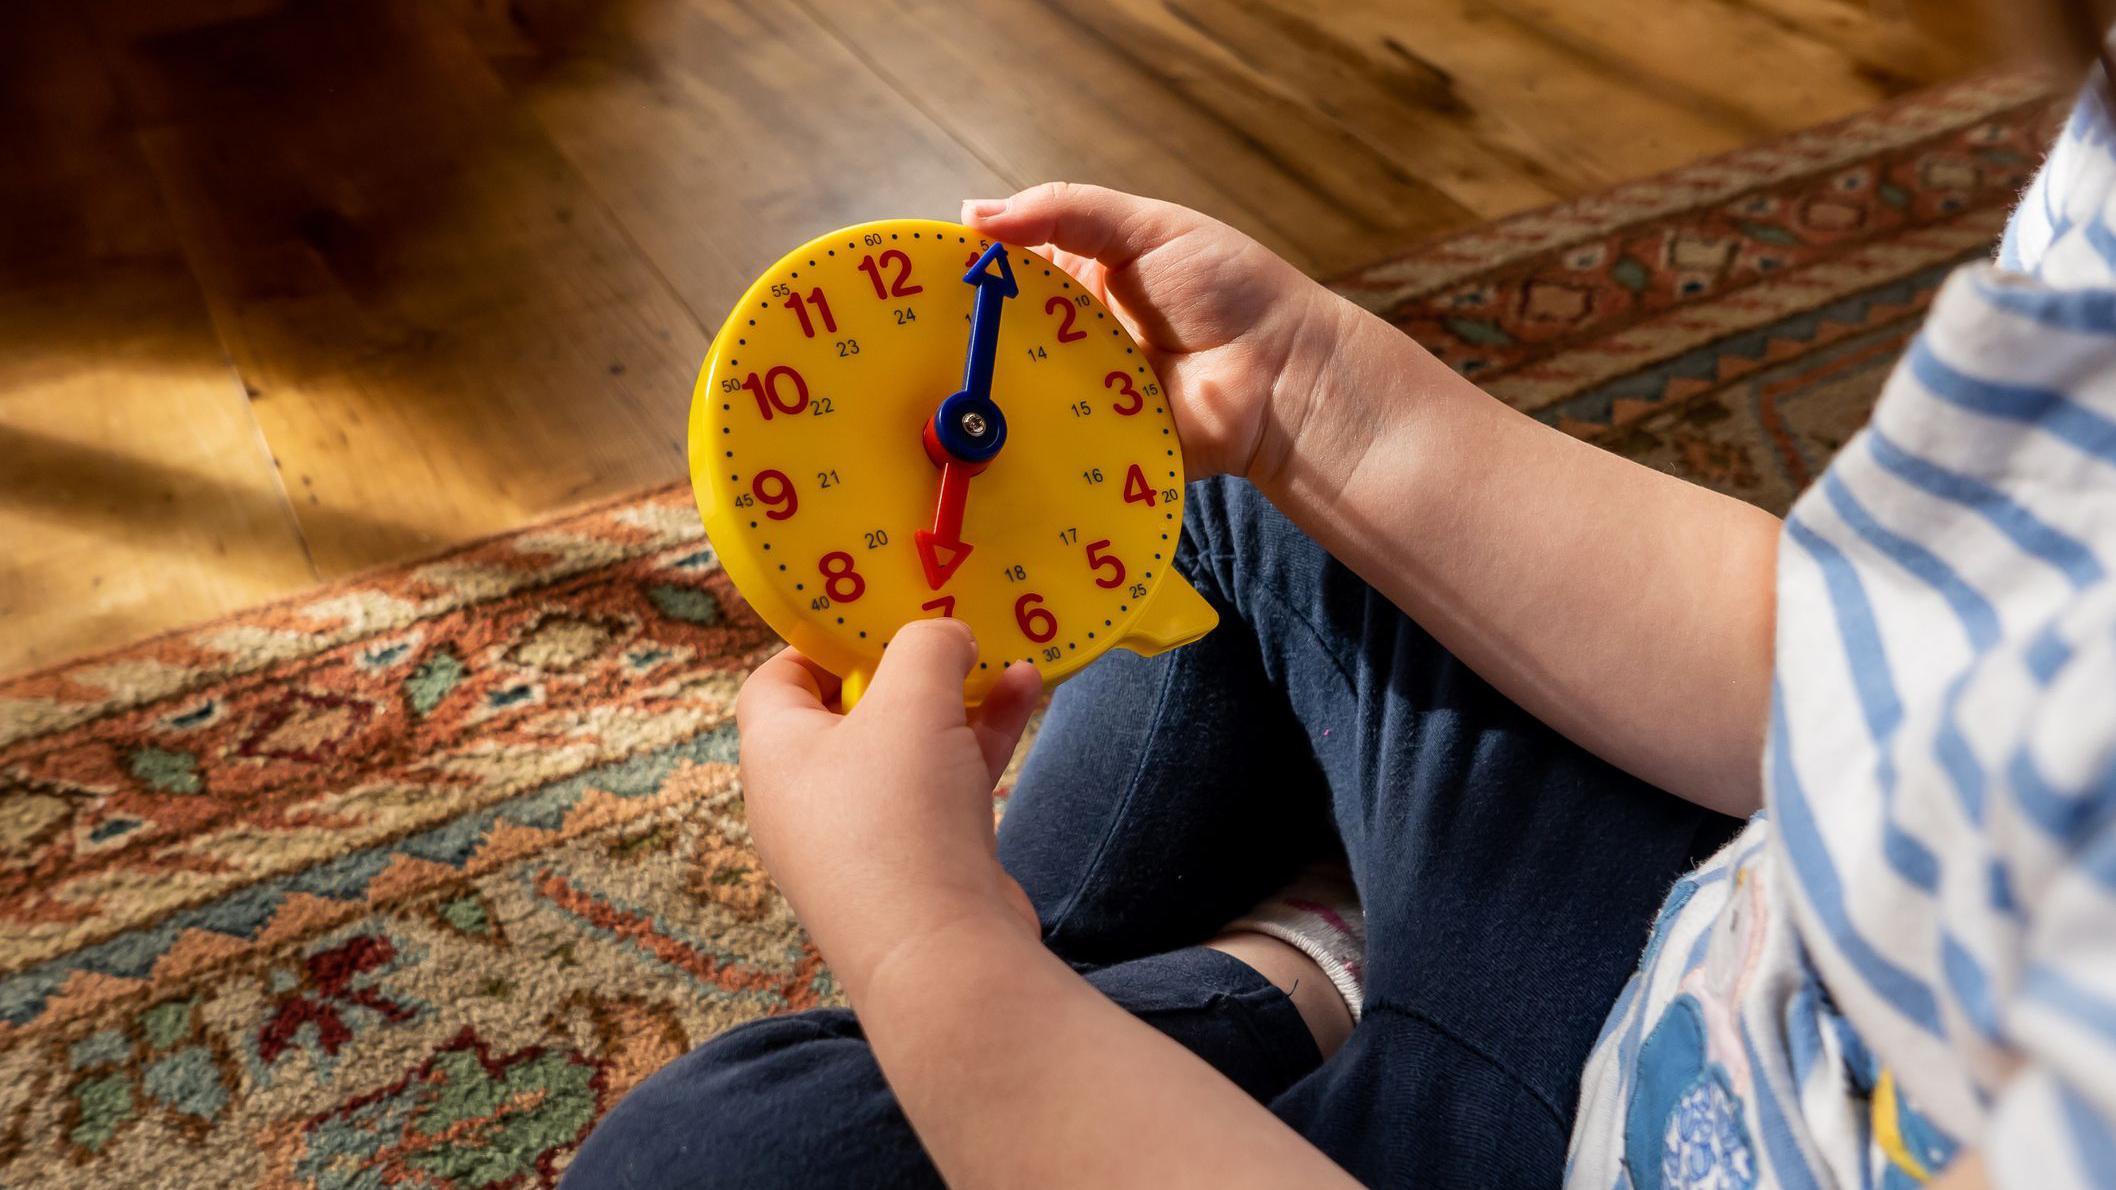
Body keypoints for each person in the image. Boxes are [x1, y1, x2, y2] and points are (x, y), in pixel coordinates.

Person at [566, 78, 2116, 1190]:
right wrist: (1310, 395)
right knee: (1226, 493)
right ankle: (1297, 972)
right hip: (1736, 892)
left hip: (1580, 1140)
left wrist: (934, 952)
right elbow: (1869, 658)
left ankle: (1280, 987)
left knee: (706, 1154)